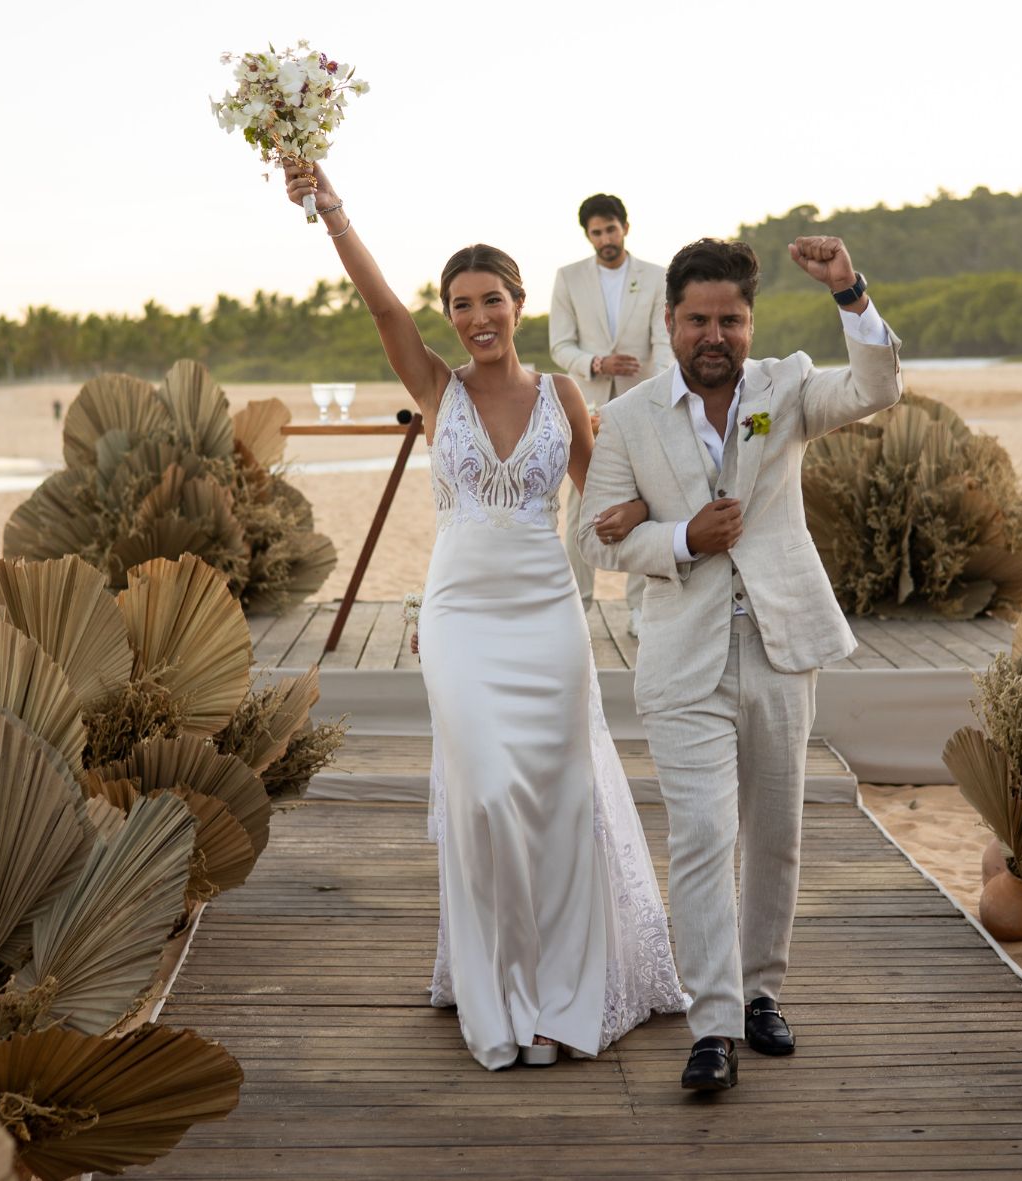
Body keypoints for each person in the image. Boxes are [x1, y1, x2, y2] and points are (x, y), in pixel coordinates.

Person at [283, 161, 684, 1071]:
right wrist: (332, 207)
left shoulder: (561, 396)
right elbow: (382, 306)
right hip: (461, 617)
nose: (477, 318)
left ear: (517, 302)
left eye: (491, 299)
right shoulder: (437, 390)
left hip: (549, 614)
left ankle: (562, 1000)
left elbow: (605, 499)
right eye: (460, 305)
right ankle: (499, 984)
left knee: (559, 799)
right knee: (489, 793)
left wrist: (674, 537)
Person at [577, 236, 902, 1091]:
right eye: (696, 320)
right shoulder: (633, 417)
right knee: (701, 837)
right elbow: (591, 536)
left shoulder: (786, 387)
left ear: (750, 321)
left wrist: (849, 291)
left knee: (775, 836)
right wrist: (684, 535)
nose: (713, 335)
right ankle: (712, 1024)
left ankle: (763, 994)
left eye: (730, 319)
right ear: (669, 322)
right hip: (683, 660)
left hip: (782, 644)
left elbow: (876, 386)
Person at [549, 194, 670, 633]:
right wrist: (598, 363)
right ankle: (576, 607)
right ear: (588, 235)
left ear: (625, 227)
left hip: (645, 404)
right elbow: (561, 345)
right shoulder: (569, 278)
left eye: (611, 229)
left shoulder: (657, 277)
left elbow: (665, 342)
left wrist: (662, 394)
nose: (605, 239)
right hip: (589, 408)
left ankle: (641, 608)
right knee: (582, 505)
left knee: (647, 502)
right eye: (597, 232)